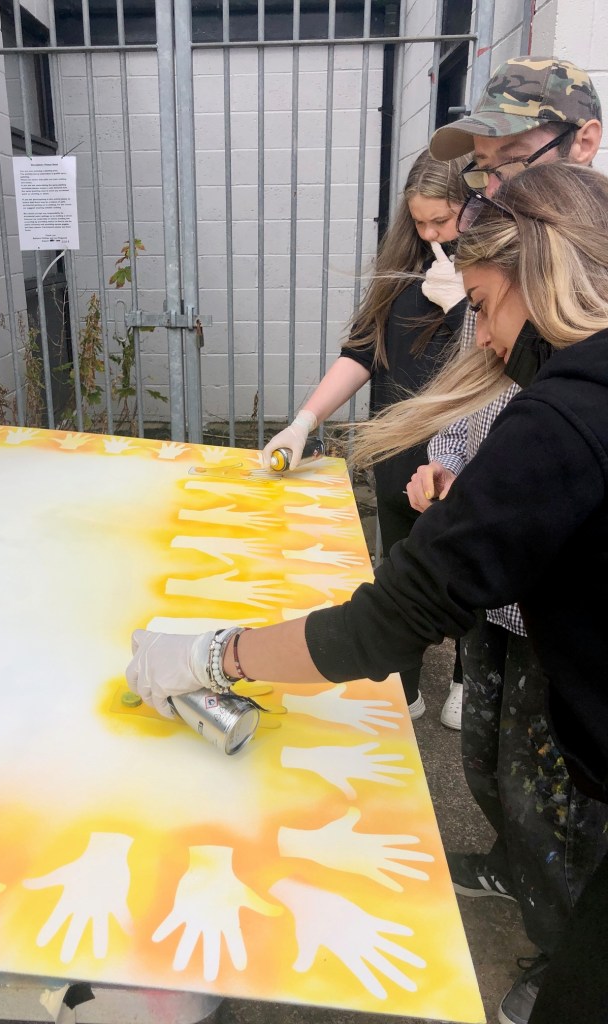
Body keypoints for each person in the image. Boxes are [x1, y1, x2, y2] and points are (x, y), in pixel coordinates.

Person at [126, 162, 608, 1024]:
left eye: (484, 306)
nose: (484, 340)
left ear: (537, 271)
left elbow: (392, 623)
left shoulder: (565, 414)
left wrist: (214, 655)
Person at [405, 56, 605, 1024]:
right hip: (500, 580)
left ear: (584, 142)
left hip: (561, 596)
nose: (490, 187)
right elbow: (473, 392)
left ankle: (563, 948)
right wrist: (450, 464)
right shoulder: (503, 249)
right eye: (482, 168)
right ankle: (515, 869)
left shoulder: (580, 265)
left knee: (555, 790)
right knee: (484, 754)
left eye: (511, 158)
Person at [262, 148, 467, 725]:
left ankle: (466, 677)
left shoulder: (492, 270)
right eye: (419, 221)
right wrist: (304, 421)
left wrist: (463, 309)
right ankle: (404, 681)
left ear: (472, 207)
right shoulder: (402, 268)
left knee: (466, 568)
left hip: (463, 453)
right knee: (400, 569)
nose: (430, 234)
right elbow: (362, 353)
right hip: (399, 451)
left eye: (442, 221)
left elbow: (507, 363)